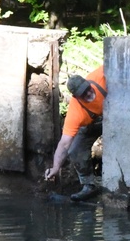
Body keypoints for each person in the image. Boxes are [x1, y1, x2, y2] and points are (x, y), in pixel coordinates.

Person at [44, 64, 106, 201]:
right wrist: (55, 167)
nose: (89, 94)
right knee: (75, 149)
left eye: (88, 90)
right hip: (92, 124)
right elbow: (64, 143)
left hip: (116, 116)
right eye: (84, 95)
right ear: (76, 97)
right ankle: (89, 185)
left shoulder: (100, 76)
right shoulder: (75, 112)